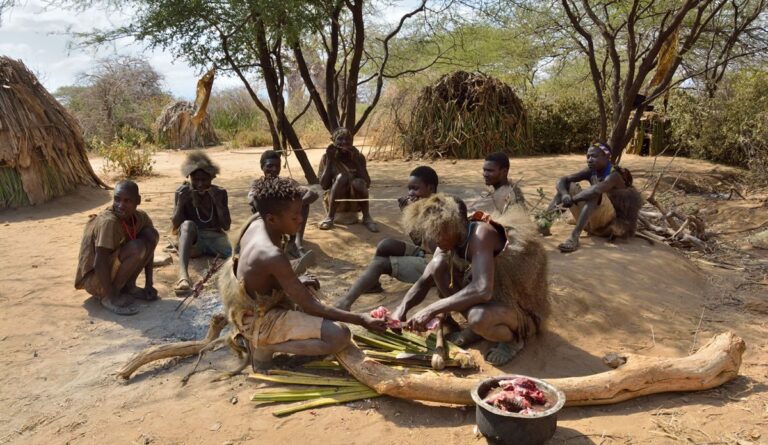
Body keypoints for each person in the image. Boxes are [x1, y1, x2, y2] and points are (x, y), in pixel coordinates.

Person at [219, 177, 387, 369]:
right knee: (339, 336)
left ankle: (263, 339)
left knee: (311, 291)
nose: (301, 219)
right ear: (272, 219)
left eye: (301, 212)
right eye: (294, 216)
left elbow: (260, 275)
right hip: (259, 319)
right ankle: (265, 347)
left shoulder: (257, 221)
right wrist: (361, 319)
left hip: (251, 307)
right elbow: (310, 305)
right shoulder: (271, 254)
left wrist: (295, 281)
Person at [391, 194, 550, 366]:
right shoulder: (449, 238)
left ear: (455, 226)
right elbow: (425, 280)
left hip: (520, 310)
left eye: (439, 234)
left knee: (478, 317)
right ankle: (477, 330)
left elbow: (482, 289)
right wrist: (401, 309)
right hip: (493, 303)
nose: (436, 240)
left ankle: (512, 340)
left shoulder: (482, 235)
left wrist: (431, 309)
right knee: (438, 266)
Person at [334, 166, 439, 311]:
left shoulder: (438, 210)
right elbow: (418, 241)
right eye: (409, 189)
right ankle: (373, 284)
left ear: (431, 188)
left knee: (380, 264)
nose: (411, 193)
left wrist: (419, 218)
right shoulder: (422, 206)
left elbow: (438, 249)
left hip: (436, 265)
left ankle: (345, 303)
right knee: (385, 245)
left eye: (415, 188)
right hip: (424, 254)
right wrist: (407, 213)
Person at [74, 180, 159, 315]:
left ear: (138, 201)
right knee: (136, 248)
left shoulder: (140, 217)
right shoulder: (108, 222)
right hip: (96, 279)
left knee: (151, 234)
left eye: (127, 201)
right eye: (117, 199)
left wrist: (149, 284)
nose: (120, 205)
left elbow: (151, 245)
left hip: (111, 272)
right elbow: (99, 262)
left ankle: (129, 287)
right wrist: (111, 297)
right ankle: (109, 296)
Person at [548, 142, 642, 253]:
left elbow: (596, 190)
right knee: (566, 187)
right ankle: (544, 222)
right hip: (592, 223)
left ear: (607, 156)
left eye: (594, 156)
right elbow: (562, 180)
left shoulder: (614, 175)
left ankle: (574, 237)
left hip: (609, 226)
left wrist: (572, 200)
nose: (589, 159)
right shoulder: (591, 171)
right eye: (588, 156)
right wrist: (564, 195)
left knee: (595, 193)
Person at [172, 151, 232, 295]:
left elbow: (226, 226)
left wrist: (218, 204)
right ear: (189, 177)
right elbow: (175, 225)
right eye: (196, 180)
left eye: (204, 180)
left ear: (212, 178)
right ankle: (183, 276)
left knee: (239, 252)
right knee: (187, 225)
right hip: (194, 242)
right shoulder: (182, 193)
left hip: (215, 239)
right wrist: (180, 204)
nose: (200, 184)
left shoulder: (220, 193)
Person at [248, 150, 319, 258]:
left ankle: (296, 243)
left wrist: (294, 207)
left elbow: (313, 194)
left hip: (285, 219)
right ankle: (269, 241)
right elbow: (253, 201)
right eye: (270, 166)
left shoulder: (286, 183)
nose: (274, 169)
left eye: (277, 166)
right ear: (262, 167)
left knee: (303, 204)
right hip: (270, 220)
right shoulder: (257, 184)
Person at [317, 127, 378, 232]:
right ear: (333, 141)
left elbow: (367, 183)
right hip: (336, 202)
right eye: (340, 139)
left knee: (358, 182)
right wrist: (330, 160)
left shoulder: (358, 156)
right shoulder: (327, 157)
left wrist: (356, 161)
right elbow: (324, 186)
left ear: (352, 141)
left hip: (355, 202)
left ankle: (367, 217)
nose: (344, 142)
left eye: (347, 139)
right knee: (342, 177)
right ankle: (330, 217)